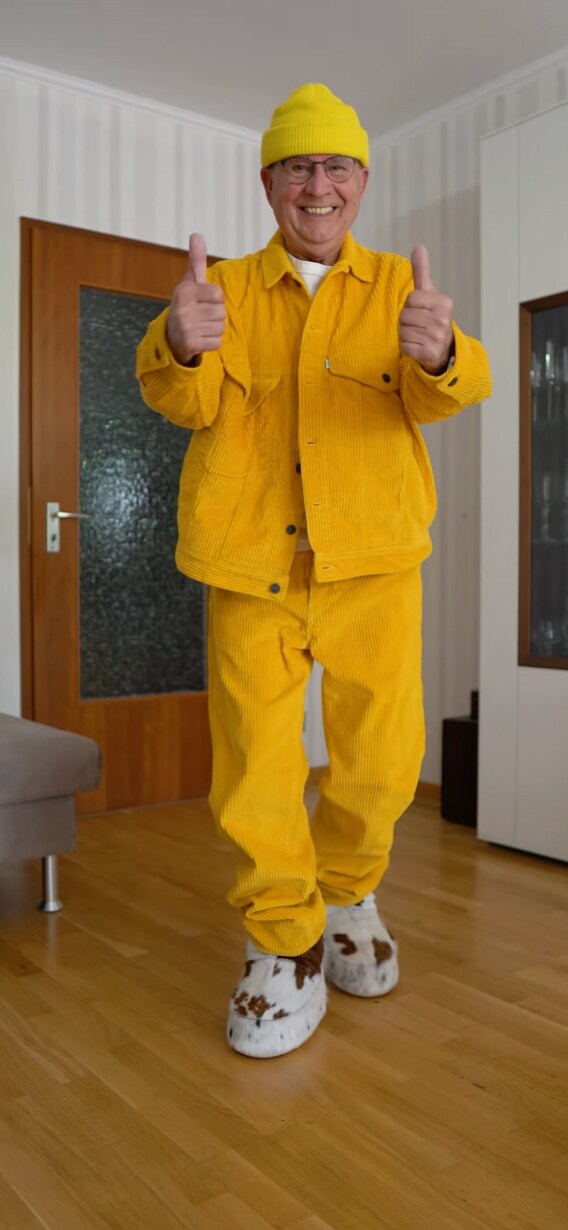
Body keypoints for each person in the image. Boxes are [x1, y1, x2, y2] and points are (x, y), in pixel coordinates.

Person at [136, 83, 491, 1060]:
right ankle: (280, 942)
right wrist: (178, 341)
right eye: (298, 166)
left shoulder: (399, 291)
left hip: (374, 562)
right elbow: (176, 396)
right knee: (256, 762)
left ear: (362, 183)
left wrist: (444, 354)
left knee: (380, 758)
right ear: (269, 184)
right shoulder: (224, 293)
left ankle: (349, 898)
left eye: (335, 166)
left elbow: (455, 390)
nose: (317, 184)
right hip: (250, 564)